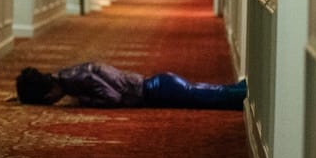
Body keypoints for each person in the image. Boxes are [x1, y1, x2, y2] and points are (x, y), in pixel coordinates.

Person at [15, 62, 246, 110]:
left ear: (49, 92)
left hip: (155, 90)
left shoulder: (78, 80)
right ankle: (242, 89)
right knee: (201, 91)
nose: (54, 102)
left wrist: (81, 101)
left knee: (203, 97)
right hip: (158, 85)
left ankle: (243, 94)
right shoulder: (67, 74)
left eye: (49, 100)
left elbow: (113, 98)